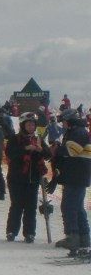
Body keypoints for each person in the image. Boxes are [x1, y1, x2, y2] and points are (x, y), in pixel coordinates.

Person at [47, 108, 91, 252]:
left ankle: (73, 236)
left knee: (69, 206)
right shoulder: (77, 131)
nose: (63, 124)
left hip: (76, 174)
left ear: (70, 120)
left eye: (64, 121)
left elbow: (72, 150)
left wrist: (58, 150)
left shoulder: (78, 132)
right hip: (76, 174)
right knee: (77, 207)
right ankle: (83, 237)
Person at [4, 113, 49, 243]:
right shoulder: (14, 139)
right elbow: (10, 153)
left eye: (33, 125)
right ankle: (11, 231)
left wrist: (41, 150)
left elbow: (48, 154)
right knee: (16, 205)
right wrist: (25, 148)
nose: (31, 127)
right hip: (16, 178)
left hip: (33, 179)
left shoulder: (38, 139)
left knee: (30, 206)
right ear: (23, 125)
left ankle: (29, 233)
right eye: (29, 124)